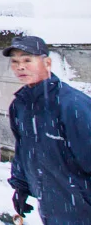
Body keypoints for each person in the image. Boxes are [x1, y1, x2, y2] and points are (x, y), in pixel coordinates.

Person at [5, 35, 91, 224]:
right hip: (51, 206)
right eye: (15, 62)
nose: (20, 67)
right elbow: (24, 150)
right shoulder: (20, 106)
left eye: (27, 60)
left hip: (83, 207)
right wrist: (21, 186)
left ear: (47, 63)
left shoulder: (72, 105)